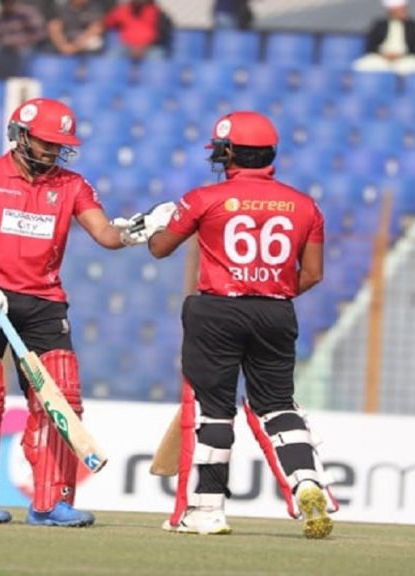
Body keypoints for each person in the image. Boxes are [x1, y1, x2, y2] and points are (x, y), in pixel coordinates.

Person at [0, 97, 146, 527]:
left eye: (59, 145)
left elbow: (104, 233)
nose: (53, 152)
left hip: (43, 301)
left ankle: (52, 503)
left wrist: (130, 233)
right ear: (20, 135)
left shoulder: (72, 184)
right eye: (45, 143)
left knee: (60, 396)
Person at [142, 111, 338, 538]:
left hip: (217, 311)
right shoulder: (305, 205)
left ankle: (207, 510)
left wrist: (154, 225)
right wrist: (268, 290)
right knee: (278, 405)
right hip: (275, 311)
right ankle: (307, 481)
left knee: (214, 410)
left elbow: (160, 248)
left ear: (228, 151)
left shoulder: (203, 199)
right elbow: (312, 274)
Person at [0, 0, 47, 79]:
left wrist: (24, 41)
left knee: (24, 54)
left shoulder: (27, 13)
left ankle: (20, 79)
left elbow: (40, 34)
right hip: (6, 47)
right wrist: (6, 43)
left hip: (27, 45)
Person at [353, 0, 415, 74]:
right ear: (391, 11)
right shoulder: (379, 25)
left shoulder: (414, 26)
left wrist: (400, 56)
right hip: (382, 59)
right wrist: (384, 55)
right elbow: (371, 46)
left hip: (404, 59)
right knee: (361, 65)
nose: (403, 12)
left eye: (404, 9)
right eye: (400, 9)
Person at [102, 0, 171, 60]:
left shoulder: (156, 12)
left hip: (150, 48)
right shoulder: (122, 10)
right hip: (127, 47)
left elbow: (164, 33)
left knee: (157, 57)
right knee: (111, 57)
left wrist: (145, 46)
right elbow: (105, 23)